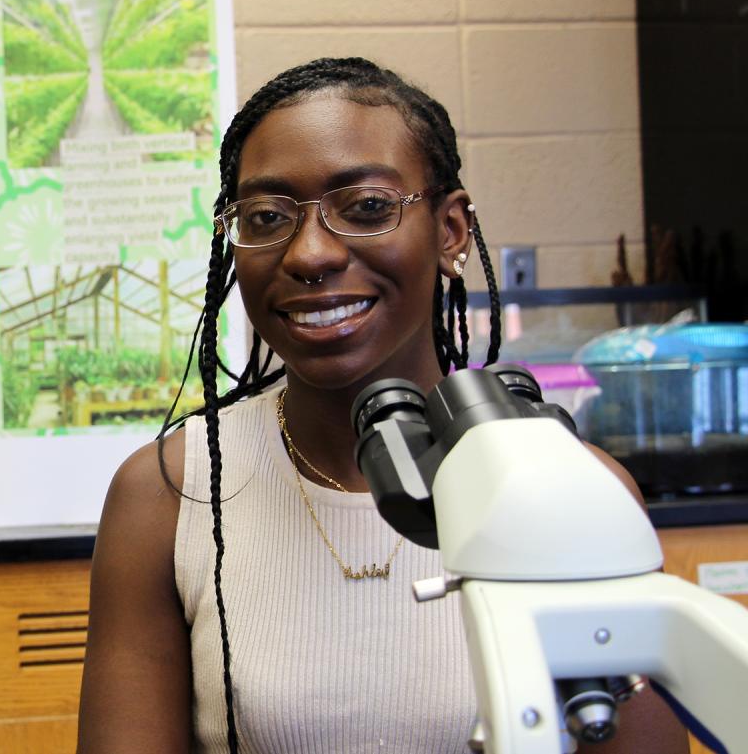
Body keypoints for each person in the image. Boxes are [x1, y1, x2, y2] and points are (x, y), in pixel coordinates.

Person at [76, 58, 688, 753]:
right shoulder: (167, 495)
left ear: (452, 229)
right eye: (267, 216)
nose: (309, 253)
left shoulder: (578, 490)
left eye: (366, 207)